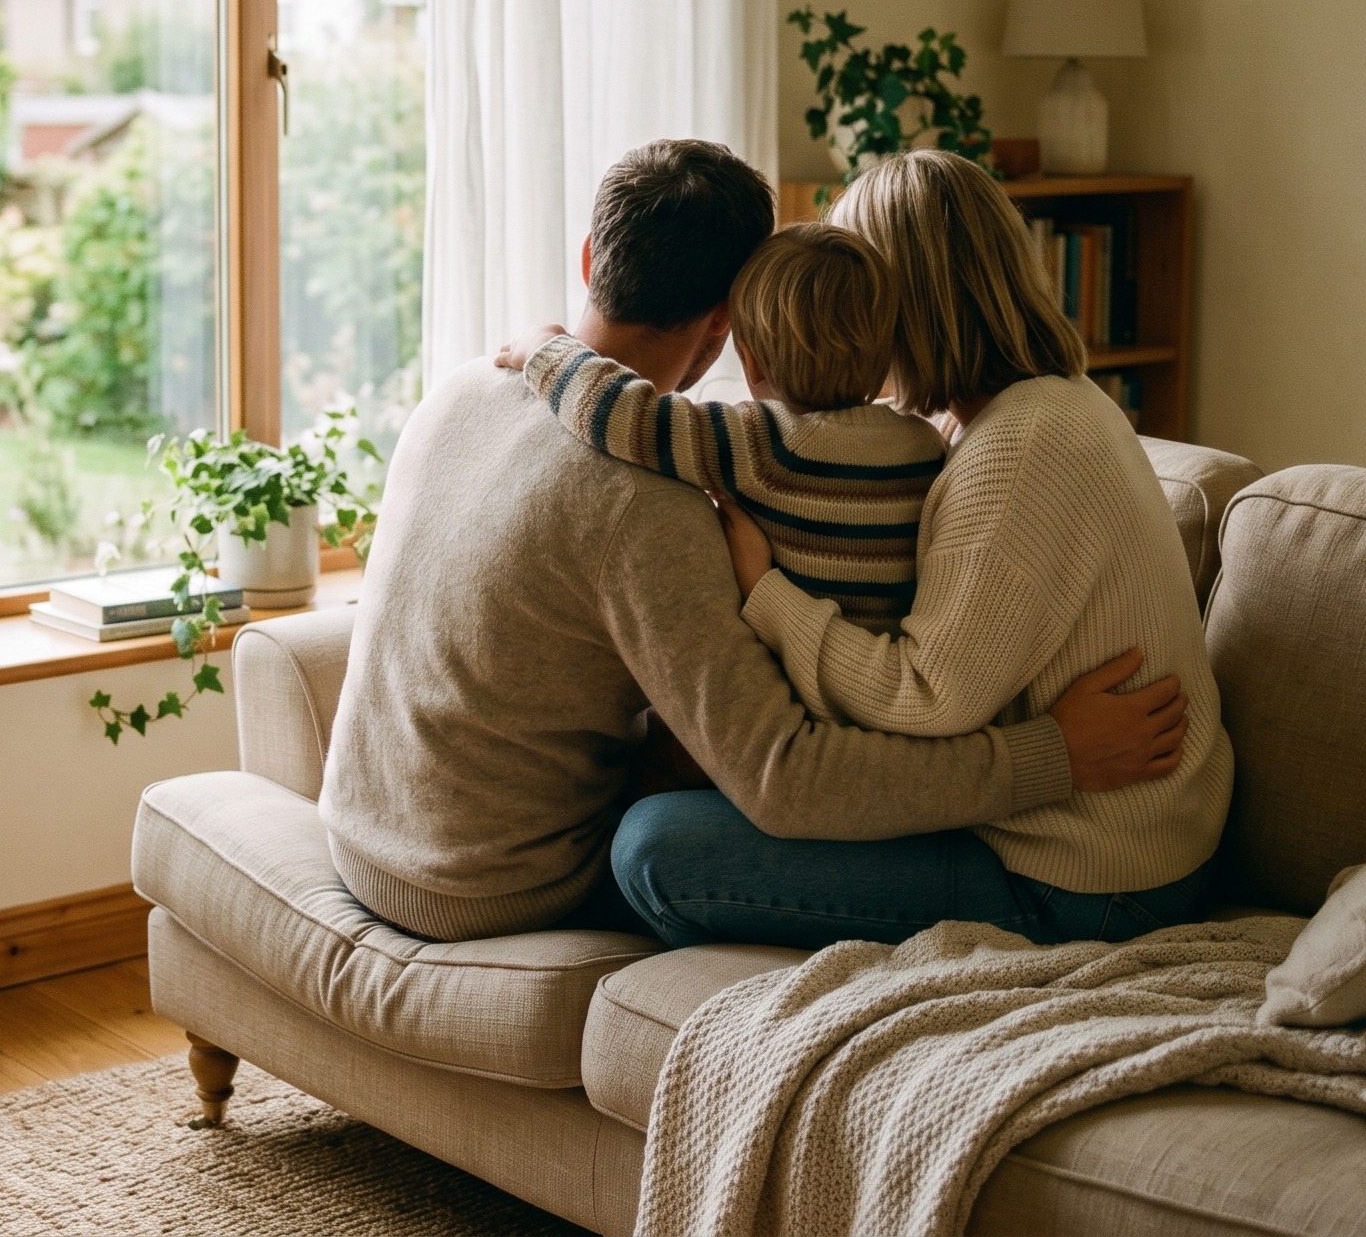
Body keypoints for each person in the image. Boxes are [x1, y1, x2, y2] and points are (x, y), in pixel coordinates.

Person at [316, 138, 1188, 944]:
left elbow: (885, 713)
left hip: (358, 835)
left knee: (676, 784)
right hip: (481, 885)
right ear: (731, 320)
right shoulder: (662, 498)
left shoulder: (463, 386)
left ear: (590, 258)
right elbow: (792, 771)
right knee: (675, 798)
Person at [607, 148, 1233, 949]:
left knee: (655, 847)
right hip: (1087, 834)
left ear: (903, 297)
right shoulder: (1013, 414)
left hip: (1091, 877)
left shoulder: (1024, 443)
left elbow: (926, 698)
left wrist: (769, 597)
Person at [497, 222, 945, 641]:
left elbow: (620, 412)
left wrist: (544, 347)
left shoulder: (759, 442)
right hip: (871, 666)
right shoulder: (926, 445)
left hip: (798, 672)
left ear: (750, 360)